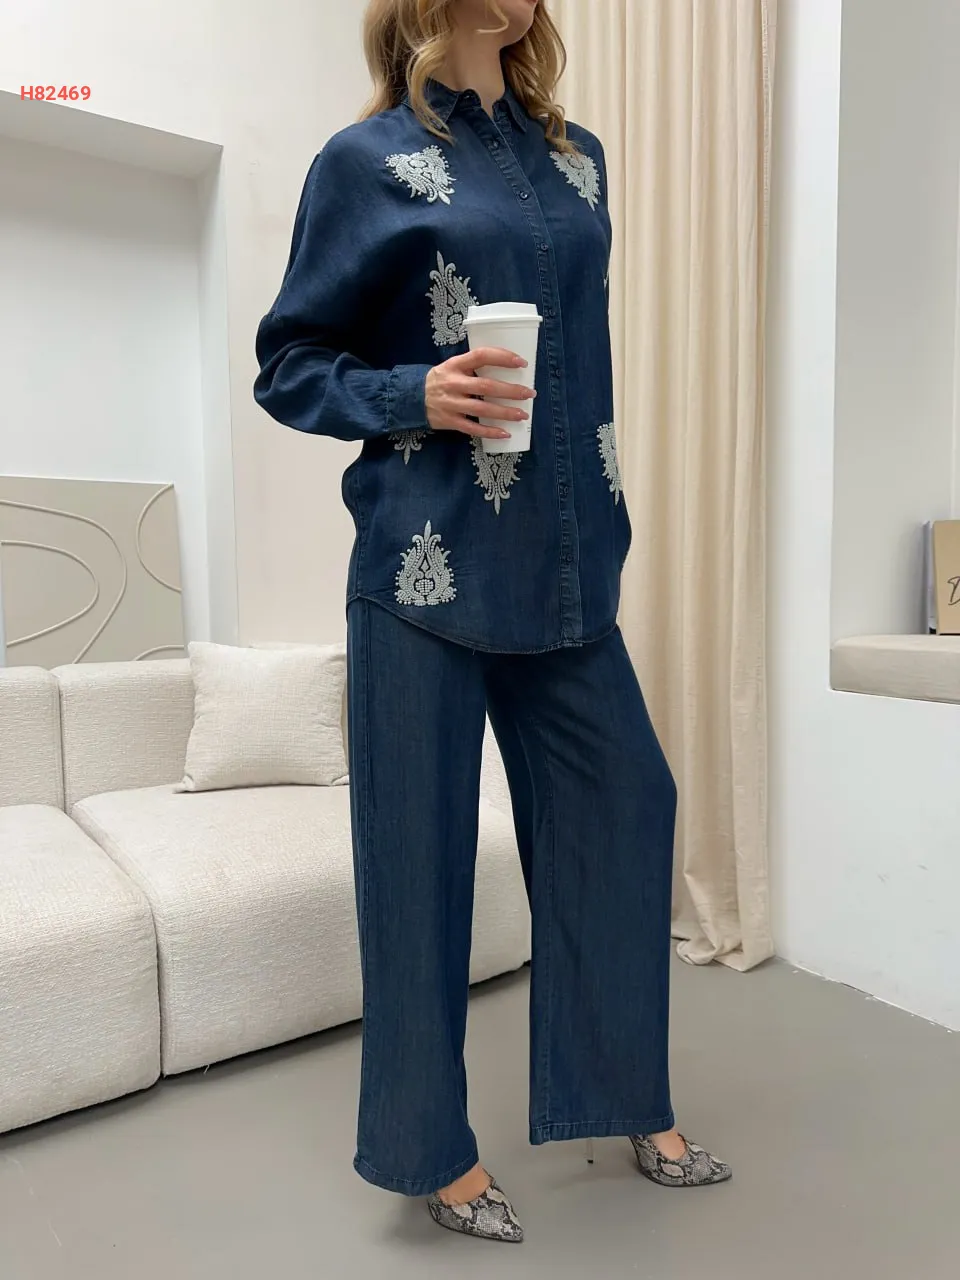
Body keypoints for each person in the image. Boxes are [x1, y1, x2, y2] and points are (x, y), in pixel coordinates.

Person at [254, 0, 731, 1245]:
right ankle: (435, 1150)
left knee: (627, 804)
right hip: (424, 558)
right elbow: (290, 361)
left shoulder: (579, 160)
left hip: (567, 561)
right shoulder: (363, 162)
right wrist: (414, 389)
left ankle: (622, 1092)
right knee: (416, 860)